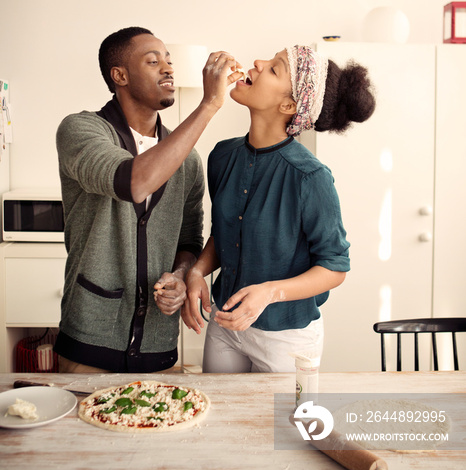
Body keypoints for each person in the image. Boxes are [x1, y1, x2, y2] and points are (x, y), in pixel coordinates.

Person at [54, 26, 242, 373]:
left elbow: (188, 240)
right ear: (120, 75)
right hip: (89, 347)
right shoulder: (80, 131)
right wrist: (210, 104)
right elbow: (134, 182)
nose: (168, 68)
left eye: (169, 61)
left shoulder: (188, 160)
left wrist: (181, 276)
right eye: (153, 61)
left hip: (159, 348)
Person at [181, 45, 376, 373]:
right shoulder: (221, 156)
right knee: (225, 422)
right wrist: (197, 271)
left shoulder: (310, 177)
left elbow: (335, 267)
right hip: (225, 324)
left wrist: (270, 292)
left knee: (283, 425)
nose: (257, 62)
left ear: (288, 104)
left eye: (273, 68)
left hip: (287, 338)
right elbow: (226, 233)